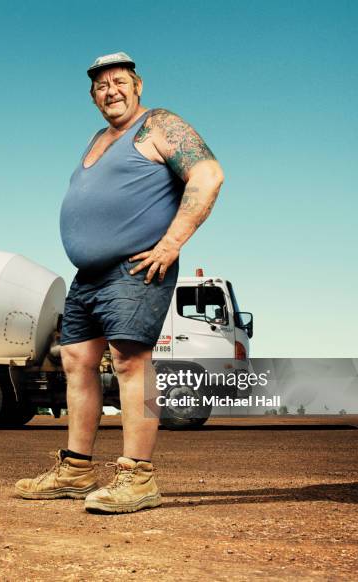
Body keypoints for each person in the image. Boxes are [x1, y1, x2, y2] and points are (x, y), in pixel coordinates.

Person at [14, 52, 224, 513]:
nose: (111, 90)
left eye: (119, 81)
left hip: (137, 266)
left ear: (138, 85)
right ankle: (75, 470)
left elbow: (208, 175)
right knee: (77, 359)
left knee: (130, 361)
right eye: (101, 85)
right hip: (89, 275)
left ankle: (138, 476)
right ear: (93, 97)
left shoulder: (159, 125)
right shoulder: (98, 139)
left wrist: (171, 244)